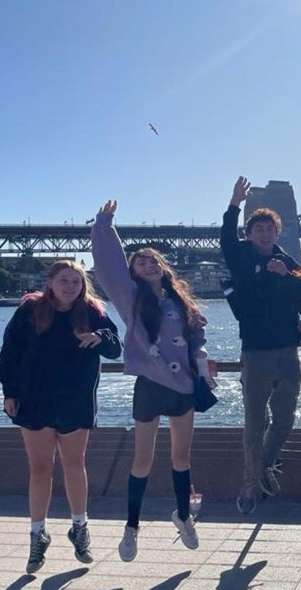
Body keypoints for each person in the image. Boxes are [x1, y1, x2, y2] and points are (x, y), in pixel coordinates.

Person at [91, 199, 216, 561]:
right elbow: (109, 268)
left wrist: (202, 362)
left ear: (163, 267)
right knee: (142, 460)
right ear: (133, 272)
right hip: (150, 385)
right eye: (138, 261)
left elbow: (196, 338)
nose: (145, 264)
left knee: (181, 456)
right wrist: (105, 227)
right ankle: (131, 528)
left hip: (184, 387)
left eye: (151, 260)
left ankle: (182, 516)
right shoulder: (132, 299)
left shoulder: (180, 299)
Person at [0, 260, 122, 574]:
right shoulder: (29, 310)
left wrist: (101, 338)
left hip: (75, 401)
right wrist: (10, 392)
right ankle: (38, 534)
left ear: (83, 286)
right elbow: (9, 352)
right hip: (34, 400)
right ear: (50, 282)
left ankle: (80, 528)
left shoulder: (93, 311)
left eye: (76, 282)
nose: (70, 287)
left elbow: (116, 347)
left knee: (74, 464)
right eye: (64, 280)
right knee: (39, 469)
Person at [220, 176, 301, 515]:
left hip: (288, 351)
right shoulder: (240, 257)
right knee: (254, 421)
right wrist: (233, 205)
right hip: (255, 352)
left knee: (285, 419)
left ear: (277, 232)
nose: (264, 235)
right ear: (250, 233)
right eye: (258, 230)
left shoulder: (290, 263)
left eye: (269, 230)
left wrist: (284, 276)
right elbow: (226, 238)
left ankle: (265, 465)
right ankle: (249, 483)